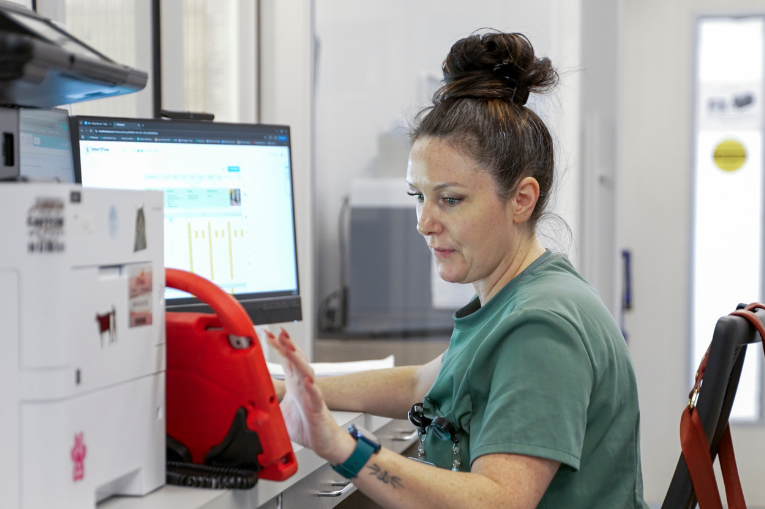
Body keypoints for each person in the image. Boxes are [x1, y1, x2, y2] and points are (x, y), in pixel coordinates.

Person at [266, 30, 648, 509]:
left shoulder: (542, 326)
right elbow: (419, 384)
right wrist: (289, 389)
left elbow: (499, 501)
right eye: (418, 197)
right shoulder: (517, 298)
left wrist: (342, 448)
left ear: (522, 200)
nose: (425, 223)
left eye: (450, 199)